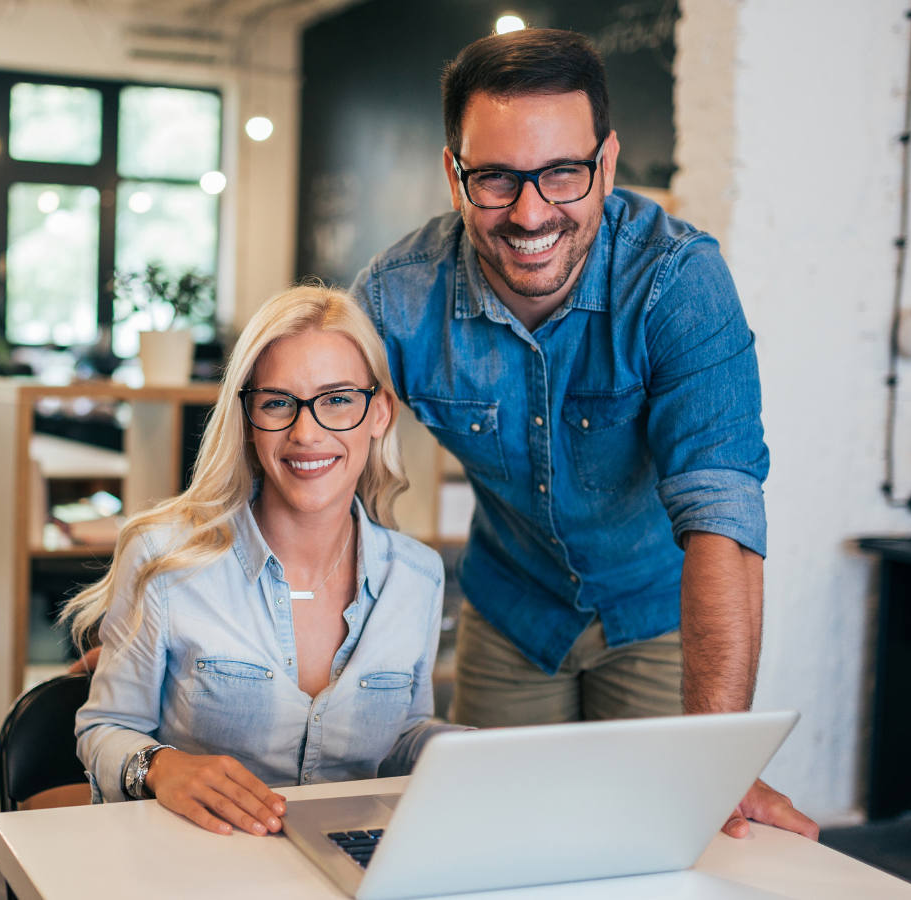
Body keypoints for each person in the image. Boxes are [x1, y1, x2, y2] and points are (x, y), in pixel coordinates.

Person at [348, 28, 817, 840]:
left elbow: (724, 515)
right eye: (495, 178)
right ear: (453, 174)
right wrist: (170, 615)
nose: (531, 214)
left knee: (668, 841)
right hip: (512, 610)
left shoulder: (677, 281)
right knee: (491, 845)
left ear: (606, 163)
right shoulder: (397, 298)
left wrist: (715, 759)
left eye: (563, 173)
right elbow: (295, 457)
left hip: (662, 613)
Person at [66, 284, 463, 836]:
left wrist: (471, 750)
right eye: (278, 403)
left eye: (337, 400)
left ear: (379, 414)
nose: (306, 433)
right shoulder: (165, 558)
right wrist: (162, 767)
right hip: (198, 866)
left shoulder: (417, 576)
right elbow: (105, 727)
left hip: (348, 865)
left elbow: (400, 738)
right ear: (249, 420)